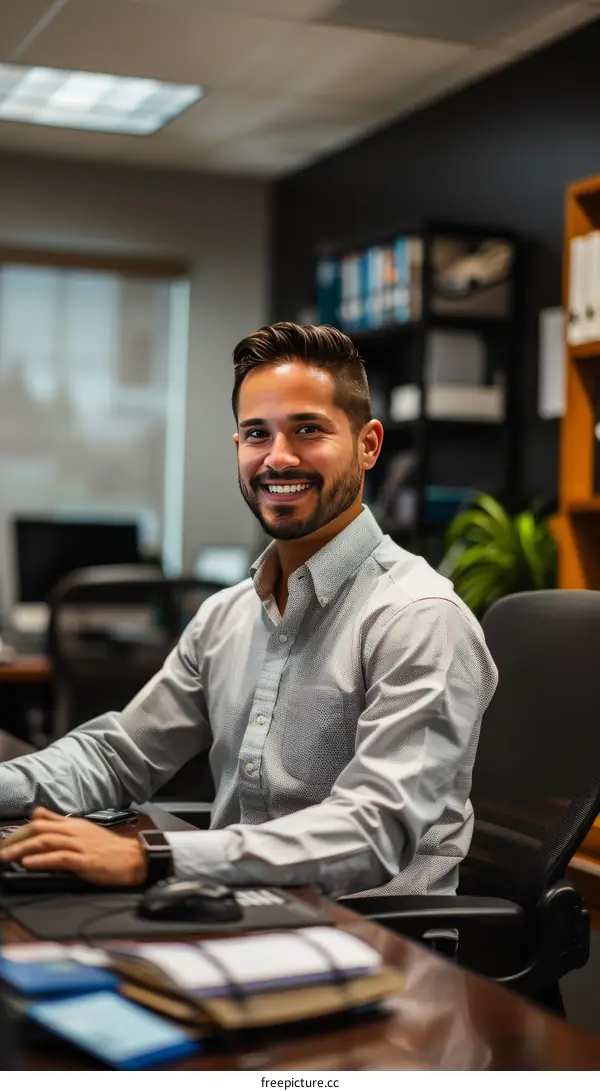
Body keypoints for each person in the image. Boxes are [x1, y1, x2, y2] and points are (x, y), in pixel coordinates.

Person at [0, 323, 497, 897]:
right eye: (257, 434)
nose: (278, 459)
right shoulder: (226, 616)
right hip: (234, 913)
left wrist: (157, 858)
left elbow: (371, 833)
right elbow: (119, 757)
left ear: (368, 445)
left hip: (375, 947)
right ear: (239, 447)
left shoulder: (420, 619)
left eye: (308, 430)